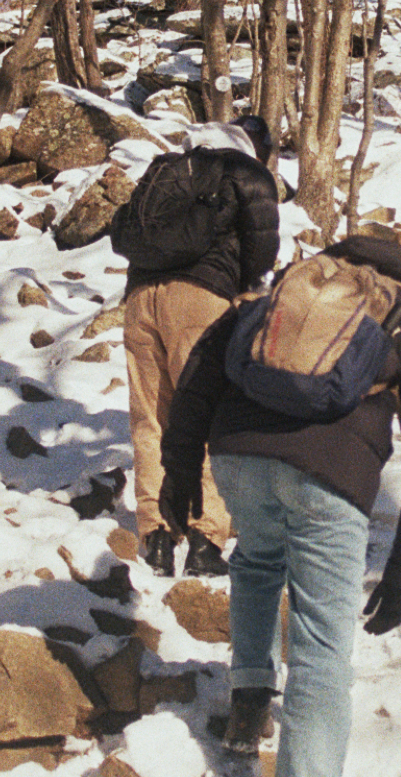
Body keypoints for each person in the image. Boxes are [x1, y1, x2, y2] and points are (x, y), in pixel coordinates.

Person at [158, 235, 401, 777]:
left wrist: (178, 478)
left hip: (237, 457)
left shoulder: (287, 293)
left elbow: (201, 373)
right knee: (321, 647)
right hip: (330, 477)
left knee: (258, 563)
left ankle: (248, 700)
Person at [110, 114, 280, 578]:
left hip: (140, 300)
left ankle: (157, 534)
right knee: (210, 417)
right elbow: (261, 254)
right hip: (201, 302)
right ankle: (205, 538)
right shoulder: (246, 172)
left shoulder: (172, 167)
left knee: (151, 417)